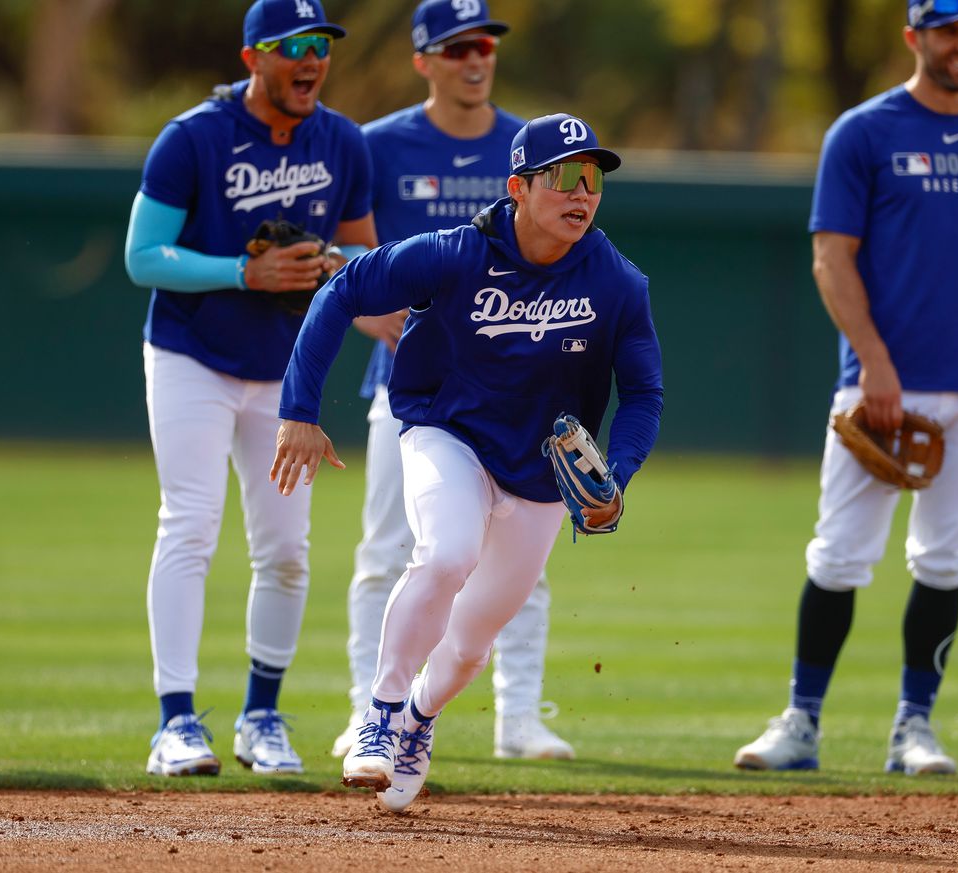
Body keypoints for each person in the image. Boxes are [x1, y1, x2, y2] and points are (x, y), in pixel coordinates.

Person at [271, 113, 663, 812]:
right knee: (446, 553)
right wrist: (300, 408)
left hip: (542, 471)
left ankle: (419, 719)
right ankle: (383, 710)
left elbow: (643, 392)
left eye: (594, 177)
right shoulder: (455, 253)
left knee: (473, 641)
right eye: (566, 177)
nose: (583, 192)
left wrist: (618, 474)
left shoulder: (618, 283)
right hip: (444, 432)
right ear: (518, 186)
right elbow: (343, 290)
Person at [735, 0, 958, 776]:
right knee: (840, 554)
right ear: (914, 37)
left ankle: (914, 726)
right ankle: (801, 722)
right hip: (877, 386)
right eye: (951, 30)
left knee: (947, 559)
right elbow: (830, 257)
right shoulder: (863, 132)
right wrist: (874, 361)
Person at [124, 0, 377, 777]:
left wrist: (338, 267)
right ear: (251, 58)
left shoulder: (342, 142)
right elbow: (143, 256)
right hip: (191, 355)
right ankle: (176, 723)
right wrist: (244, 270)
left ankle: (262, 716)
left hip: (284, 368)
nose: (311, 59)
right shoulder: (193, 137)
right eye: (292, 46)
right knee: (190, 526)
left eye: (321, 45)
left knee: (286, 550)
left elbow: (368, 255)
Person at [329, 0, 574, 763]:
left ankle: (520, 716)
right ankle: (367, 710)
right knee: (390, 551)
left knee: (521, 564)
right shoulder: (379, 145)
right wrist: (379, 319)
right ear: (424, 60)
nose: (477, 58)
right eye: (458, 46)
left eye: (486, 44)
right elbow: (345, 258)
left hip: (515, 388)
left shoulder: (526, 145)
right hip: (411, 384)